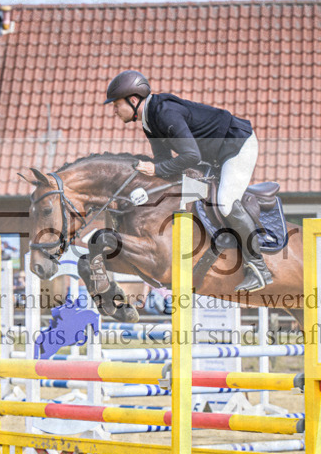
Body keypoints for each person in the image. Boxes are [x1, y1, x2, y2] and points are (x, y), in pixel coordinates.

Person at [104, 70, 272, 292]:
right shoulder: (149, 121)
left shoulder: (164, 114)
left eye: (116, 104)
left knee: (225, 202)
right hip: (213, 155)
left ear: (133, 100)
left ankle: (259, 267)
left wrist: (156, 169)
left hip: (236, 145)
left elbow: (189, 156)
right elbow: (164, 160)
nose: (114, 110)